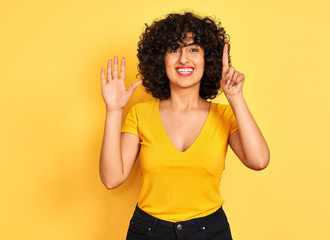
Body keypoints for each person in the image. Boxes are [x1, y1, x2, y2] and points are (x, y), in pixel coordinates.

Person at [99, 12, 270, 240]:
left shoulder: (225, 115)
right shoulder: (140, 114)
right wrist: (113, 111)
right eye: (173, 49)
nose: (183, 59)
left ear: (207, 58)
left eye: (193, 49)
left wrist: (236, 97)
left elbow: (259, 161)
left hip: (210, 232)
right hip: (148, 232)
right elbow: (112, 178)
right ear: (161, 58)